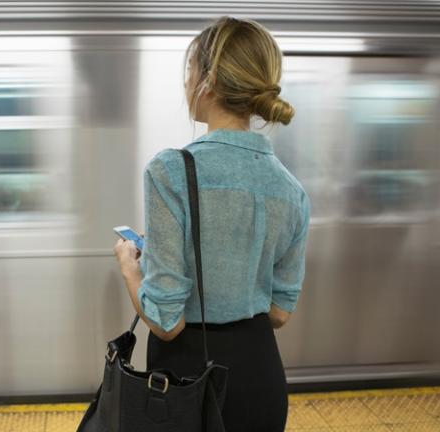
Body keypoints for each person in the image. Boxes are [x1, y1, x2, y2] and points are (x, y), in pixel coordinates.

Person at [113, 17, 309, 431]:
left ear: (210, 79)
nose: (186, 83)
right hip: (261, 377)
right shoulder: (292, 190)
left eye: (189, 71)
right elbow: (279, 312)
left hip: (188, 380)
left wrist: (131, 268)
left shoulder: (170, 171)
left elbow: (167, 323)